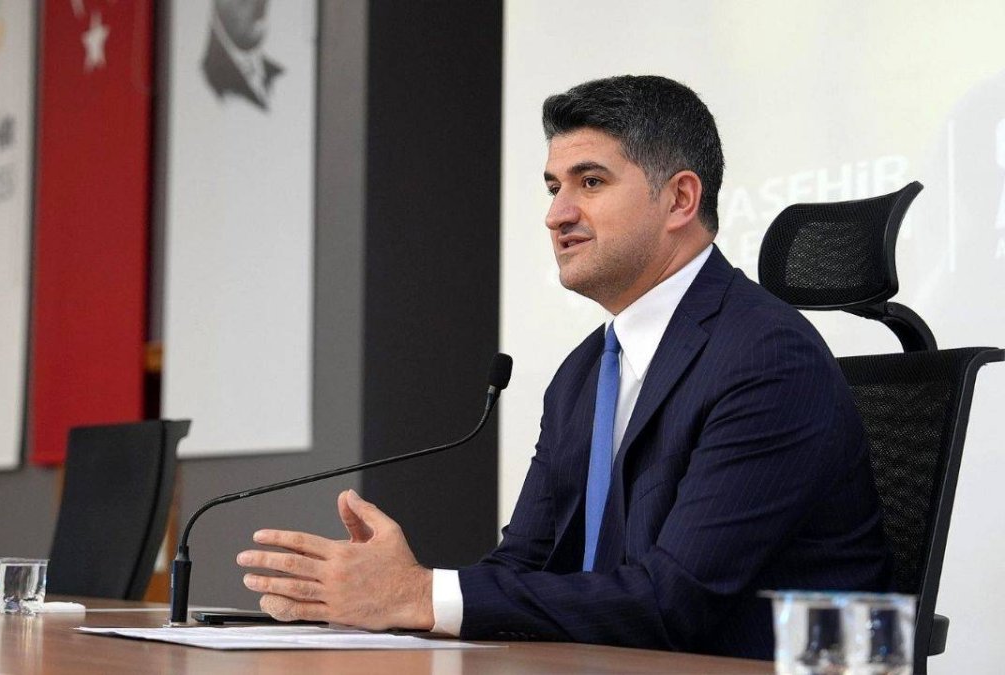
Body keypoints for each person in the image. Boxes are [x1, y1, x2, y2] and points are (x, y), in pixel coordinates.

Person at [236, 75, 892, 659]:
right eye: (553, 187)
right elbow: (525, 563)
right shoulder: (584, 373)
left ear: (680, 199)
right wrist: (393, 597)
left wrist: (419, 595)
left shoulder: (767, 357)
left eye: (591, 182)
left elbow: (674, 601)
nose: (557, 215)